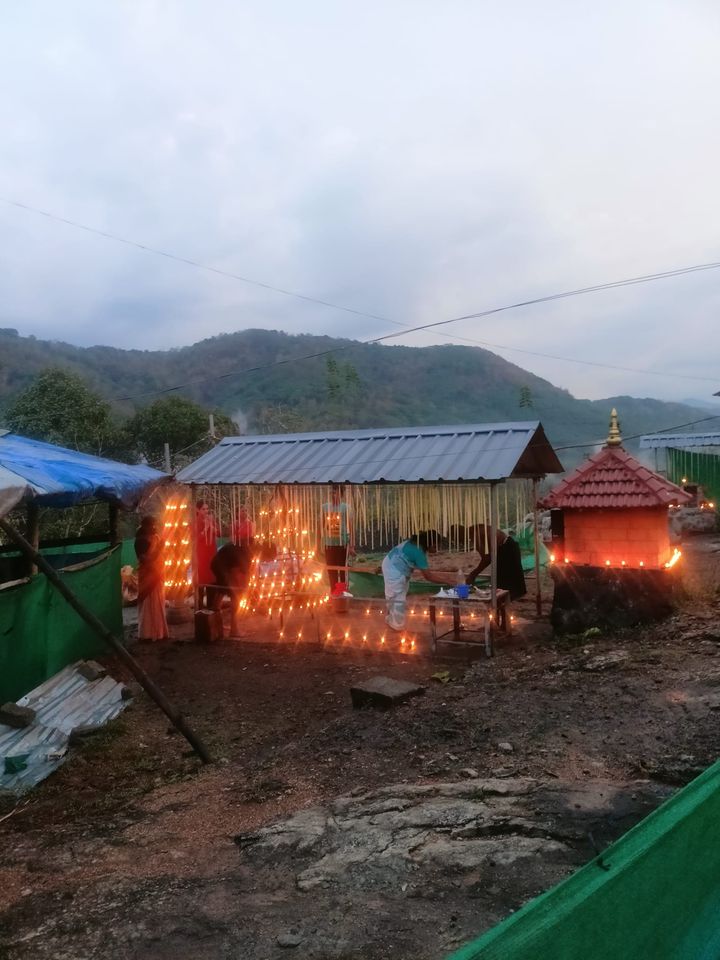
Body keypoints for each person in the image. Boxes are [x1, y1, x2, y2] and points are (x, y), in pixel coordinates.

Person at [382, 531, 454, 631]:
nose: (437, 548)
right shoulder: (418, 552)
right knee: (397, 597)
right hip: (393, 569)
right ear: (430, 544)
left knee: (397, 595)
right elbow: (429, 577)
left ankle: (391, 620)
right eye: (436, 545)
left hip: (392, 564)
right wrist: (449, 581)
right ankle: (396, 627)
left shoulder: (416, 545)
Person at [465, 525, 526, 600]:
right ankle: (507, 598)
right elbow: (486, 556)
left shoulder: (476, 534)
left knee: (504, 582)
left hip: (506, 548)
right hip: (508, 545)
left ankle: (506, 599)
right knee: (502, 580)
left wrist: (473, 574)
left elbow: (487, 558)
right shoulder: (477, 530)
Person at [134, 516, 169, 641]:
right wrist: (159, 548)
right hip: (148, 574)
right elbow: (145, 560)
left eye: (154, 525)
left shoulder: (155, 537)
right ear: (144, 526)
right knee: (148, 603)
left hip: (157, 574)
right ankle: (147, 633)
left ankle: (159, 632)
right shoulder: (141, 541)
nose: (153, 528)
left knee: (158, 601)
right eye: (151, 525)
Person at [210, 541, 253, 636]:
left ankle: (214, 624)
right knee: (235, 595)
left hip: (218, 564)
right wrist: (241, 589)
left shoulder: (245, 550)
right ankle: (234, 629)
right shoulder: (247, 556)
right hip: (224, 566)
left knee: (221, 590)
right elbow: (235, 572)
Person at [321, 484, 353, 590]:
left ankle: (342, 590)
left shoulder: (346, 508)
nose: (333, 495)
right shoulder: (325, 507)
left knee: (342, 569)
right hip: (329, 544)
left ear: (341, 494)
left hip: (342, 543)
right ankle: (333, 591)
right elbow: (320, 526)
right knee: (331, 569)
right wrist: (319, 544)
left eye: (336, 493)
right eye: (332, 492)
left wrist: (352, 545)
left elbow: (351, 527)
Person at [195, 500, 220, 608]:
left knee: (212, 580)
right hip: (201, 556)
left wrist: (211, 526)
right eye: (203, 509)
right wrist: (205, 529)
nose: (206, 511)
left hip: (211, 554)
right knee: (201, 582)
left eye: (207, 509)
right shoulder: (195, 522)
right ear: (198, 510)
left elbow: (218, 533)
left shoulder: (211, 520)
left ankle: (211, 608)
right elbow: (195, 539)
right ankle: (200, 609)